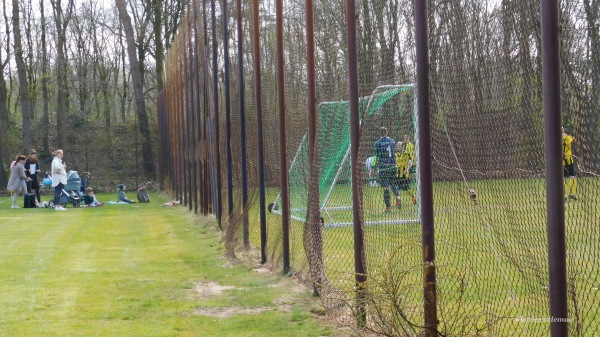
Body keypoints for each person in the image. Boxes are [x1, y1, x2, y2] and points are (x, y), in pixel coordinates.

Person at [374, 127, 396, 212]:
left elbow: (376, 156)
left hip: (384, 167)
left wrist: (373, 168)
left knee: (386, 187)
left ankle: (388, 207)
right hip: (393, 166)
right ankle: (397, 197)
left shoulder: (378, 143)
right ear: (387, 132)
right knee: (393, 184)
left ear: (380, 133)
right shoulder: (392, 141)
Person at [393, 142, 417, 207]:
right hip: (398, 175)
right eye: (397, 146)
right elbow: (396, 163)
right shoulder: (396, 154)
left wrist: (407, 169)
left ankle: (413, 196)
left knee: (407, 189)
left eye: (399, 146)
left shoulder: (406, 154)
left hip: (404, 175)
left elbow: (411, 163)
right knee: (396, 188)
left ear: (402, 147)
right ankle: (397, 202)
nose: (397, 147)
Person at [562, 127, 577, 200]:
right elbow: (574, 139)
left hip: (562, 160)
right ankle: (572, 193)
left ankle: (563, 195)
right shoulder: (568, 137)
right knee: (573, 176)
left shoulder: (556, 139)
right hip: (569, 159)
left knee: (563, 177)